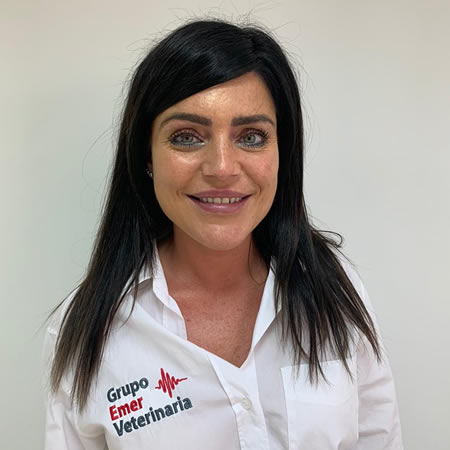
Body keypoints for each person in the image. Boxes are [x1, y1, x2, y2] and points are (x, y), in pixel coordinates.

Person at [43, 18, 403, 449]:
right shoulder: (87, 330)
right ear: (146, 156)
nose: (222, 168)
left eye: (251, 137)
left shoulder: (336, 288)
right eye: (186, 137)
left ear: (282, 152)